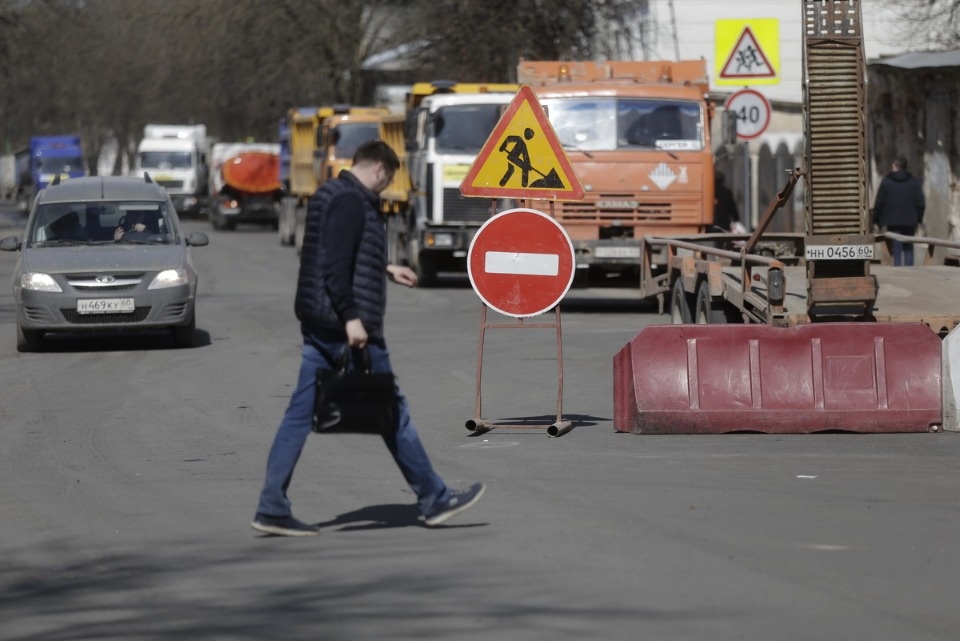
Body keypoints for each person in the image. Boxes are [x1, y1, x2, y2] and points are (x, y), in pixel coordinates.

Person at [251, 140, 485, 536]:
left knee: (299, 416)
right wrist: (353, 319)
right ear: (380, 169)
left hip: (323, 324)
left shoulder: (334, 193)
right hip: (348, 330)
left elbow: (340, 251)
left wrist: (387, 267)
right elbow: (335, 267)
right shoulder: (351, 201)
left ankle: (272, 506)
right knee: (394, 411)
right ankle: (435, 498)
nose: (386, 187)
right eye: (388, 179)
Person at [872, 156, 925, 266]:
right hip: (910, 221)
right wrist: (918, 219)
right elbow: (921, 203)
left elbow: (879, 202)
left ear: (896, 166)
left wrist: (876, 220)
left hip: (892, 222)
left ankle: (898, 272)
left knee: (896, 248)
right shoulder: (914, 182)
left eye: (892, 166)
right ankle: (910, 274)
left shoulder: (886, 181)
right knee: (909, 248)